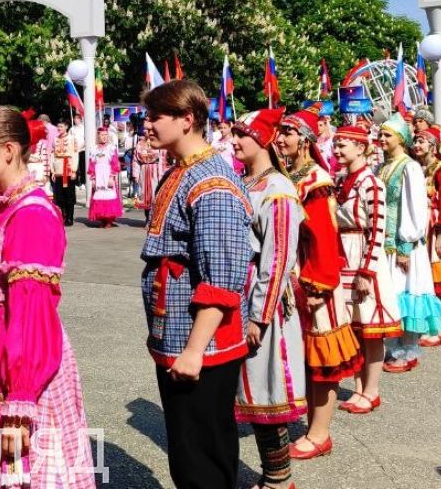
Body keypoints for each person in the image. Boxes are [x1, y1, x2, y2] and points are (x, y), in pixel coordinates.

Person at [0, 106, 95, 488]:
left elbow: (31, 311)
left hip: (25, 362)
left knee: (29, 469)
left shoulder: (31, 215)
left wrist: (20, 404)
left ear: (7, 150)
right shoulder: (0, 207)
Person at [140, 80, 252, 489]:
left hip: (202, 345)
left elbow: (221, 278)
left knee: (202, 453)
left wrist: (194, 351)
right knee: (187, 448)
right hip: (179, 335)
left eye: (156, 117)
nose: (147, 125)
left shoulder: (212, 182)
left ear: (187, 120)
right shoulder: (182, 170)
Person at [223, 109, 303, 489]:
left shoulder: (279, 192)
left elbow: (278, 259)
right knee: (246, 389)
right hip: (238, 298)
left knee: (264, 391)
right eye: (234, 134)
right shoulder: (244, 182)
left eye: (243, 135)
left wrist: (259, 316)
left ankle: (278, 478)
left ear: (264, 140)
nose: (235, 141)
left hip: (262, 304)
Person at [275, 109, 361, 461]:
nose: (280, 139)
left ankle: (320, 433)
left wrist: (317, 287)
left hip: (315, 284)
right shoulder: (292, 175)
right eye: (278, 133)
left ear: (306, 141)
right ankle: (311, 424)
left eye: (288, 134)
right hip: (296, 278)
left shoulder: (316, 182)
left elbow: (324, 240)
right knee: (304, 358)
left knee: (321, 362)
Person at [333, 125, 401, 415]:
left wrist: (367, 271)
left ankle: (371, 390)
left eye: (342, 146)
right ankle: (360, 387)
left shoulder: (371, 183)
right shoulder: (342, 180)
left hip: (361, 256)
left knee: (371, 331)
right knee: (356, 329)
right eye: (335, 145)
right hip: (344, 255)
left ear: (360, 148)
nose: (336, 151)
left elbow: (377, 230)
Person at [376, 114, 441, 373]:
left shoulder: (409, 167)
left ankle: (406, 351)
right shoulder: (383, 166)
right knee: (391, 296)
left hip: (403, 244)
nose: (382, 139)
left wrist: (406, 245)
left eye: (387, 136)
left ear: (401, 139)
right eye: (381, 135)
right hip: (384, 243)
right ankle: (392, 347)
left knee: (405, 294)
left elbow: (415, 208)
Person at [411, 127, 441, 347]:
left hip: (435, 229)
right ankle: (426, 324)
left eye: (422, 142)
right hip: (419, 227)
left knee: (438, 276)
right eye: (416, 141)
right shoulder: (415, 167)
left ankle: (438, 327)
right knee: (422, 277)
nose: (417, 146)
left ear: (433, 145)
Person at [87, 127, 123, 228]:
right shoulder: (93, 149)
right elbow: (91, 164)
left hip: (107, 174)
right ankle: (102, 219)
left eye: (106, 135)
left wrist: (112, 177)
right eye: (102, 135)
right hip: (98, 175)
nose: (104, 137)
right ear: (98, 136)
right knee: (99, 195)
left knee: (109, 195)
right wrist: (93, 178)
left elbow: (115, 163)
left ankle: (109, 220)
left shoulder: (111, 148)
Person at [50, 121, 78, 226]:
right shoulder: (55, 139)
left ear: (66, 127)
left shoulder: (71, 138)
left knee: (69, 195)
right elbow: (52, 155)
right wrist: (52, 171)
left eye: (61, 126)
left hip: (68, 169)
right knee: (59, 195)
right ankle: (62, 216)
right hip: (58, 170)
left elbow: (75, 154)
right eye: (58, 126)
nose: (59, 128)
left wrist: (74, 170)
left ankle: (70, 217)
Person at [133, 134, 168, 217]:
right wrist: (136, 174)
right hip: (143, 171)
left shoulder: (159, 143)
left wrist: (161, 175)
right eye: (145, 130)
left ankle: (154, 218)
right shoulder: (140, 144)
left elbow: (163, 160)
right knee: (144, 195)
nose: (147, 132)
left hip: (155, 171)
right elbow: (135, 160)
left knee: (155, 195)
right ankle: (147, 218)